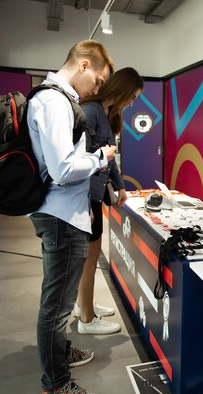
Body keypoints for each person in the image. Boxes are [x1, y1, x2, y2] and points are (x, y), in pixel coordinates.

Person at [27, 39, 115, 394]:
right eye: (98, 79)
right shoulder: (53, 101)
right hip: (59, 216)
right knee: (57, 306)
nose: (97, 88)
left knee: (59, 300)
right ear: (83, 65)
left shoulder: (61, 100)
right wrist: (101, 157)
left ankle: (60, 352)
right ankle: (56, 386)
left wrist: (85, 206)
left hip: (67, 212)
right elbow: (62, 169)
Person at [74, 67, 144, 335]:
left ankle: (84, 305)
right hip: (87, 196)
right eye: (133, 97)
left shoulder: (106, 113)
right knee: (89, 258)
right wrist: (83, 203)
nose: (133, 102)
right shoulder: (91, 111)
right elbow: (83, 158)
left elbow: (108, 157)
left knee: (90, 257)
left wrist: (120, 185)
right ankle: (87, 319)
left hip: (95, 193)